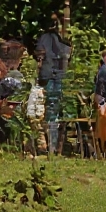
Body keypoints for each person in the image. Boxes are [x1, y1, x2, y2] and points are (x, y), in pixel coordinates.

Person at [34, 16, 72, 153]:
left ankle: (52, 144)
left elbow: (40, 57)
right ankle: (53, 144)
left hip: (49, 76)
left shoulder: (43, 39)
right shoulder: (64, 39)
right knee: (55, 108)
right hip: (58, 76)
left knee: (50, 109)